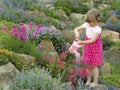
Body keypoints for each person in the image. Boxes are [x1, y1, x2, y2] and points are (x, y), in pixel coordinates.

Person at [74, 8, 103, 87]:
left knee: (94, 66)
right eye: (89, 22)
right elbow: (76, 29)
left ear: (98, 20)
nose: (90, 24)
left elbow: (93, 40)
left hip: (95, 49)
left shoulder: (98, 29)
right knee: (87, 65)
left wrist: (82, 42)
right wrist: (77, 34)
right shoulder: (87, 25)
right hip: (88, 49)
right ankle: (88, 80)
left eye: (93, 22)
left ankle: (95, 82)